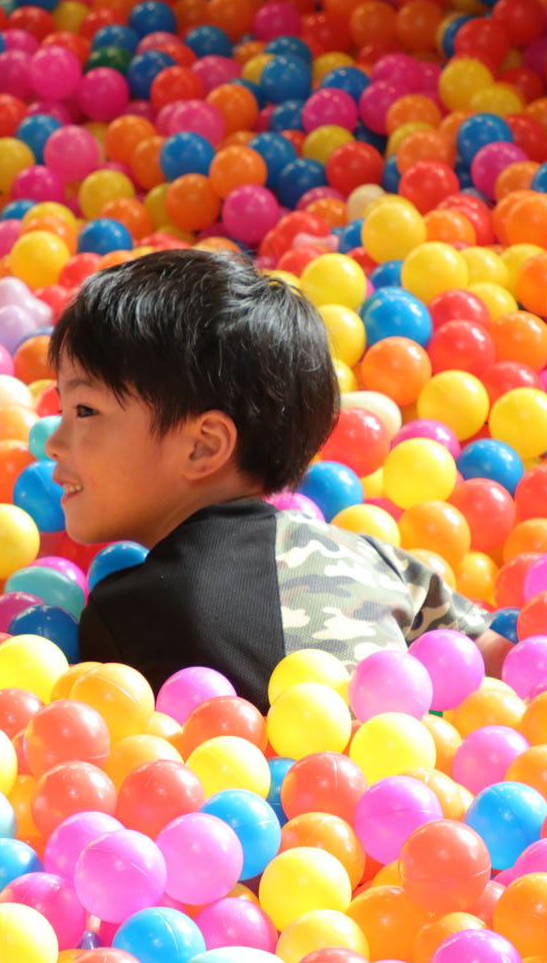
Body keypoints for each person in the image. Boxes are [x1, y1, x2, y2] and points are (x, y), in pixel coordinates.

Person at [43, 247, 501, 706]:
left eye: (84, 411)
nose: (53, 442)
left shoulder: (126, 613)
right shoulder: (372, 558)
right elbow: (498, 663)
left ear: (204, 445)